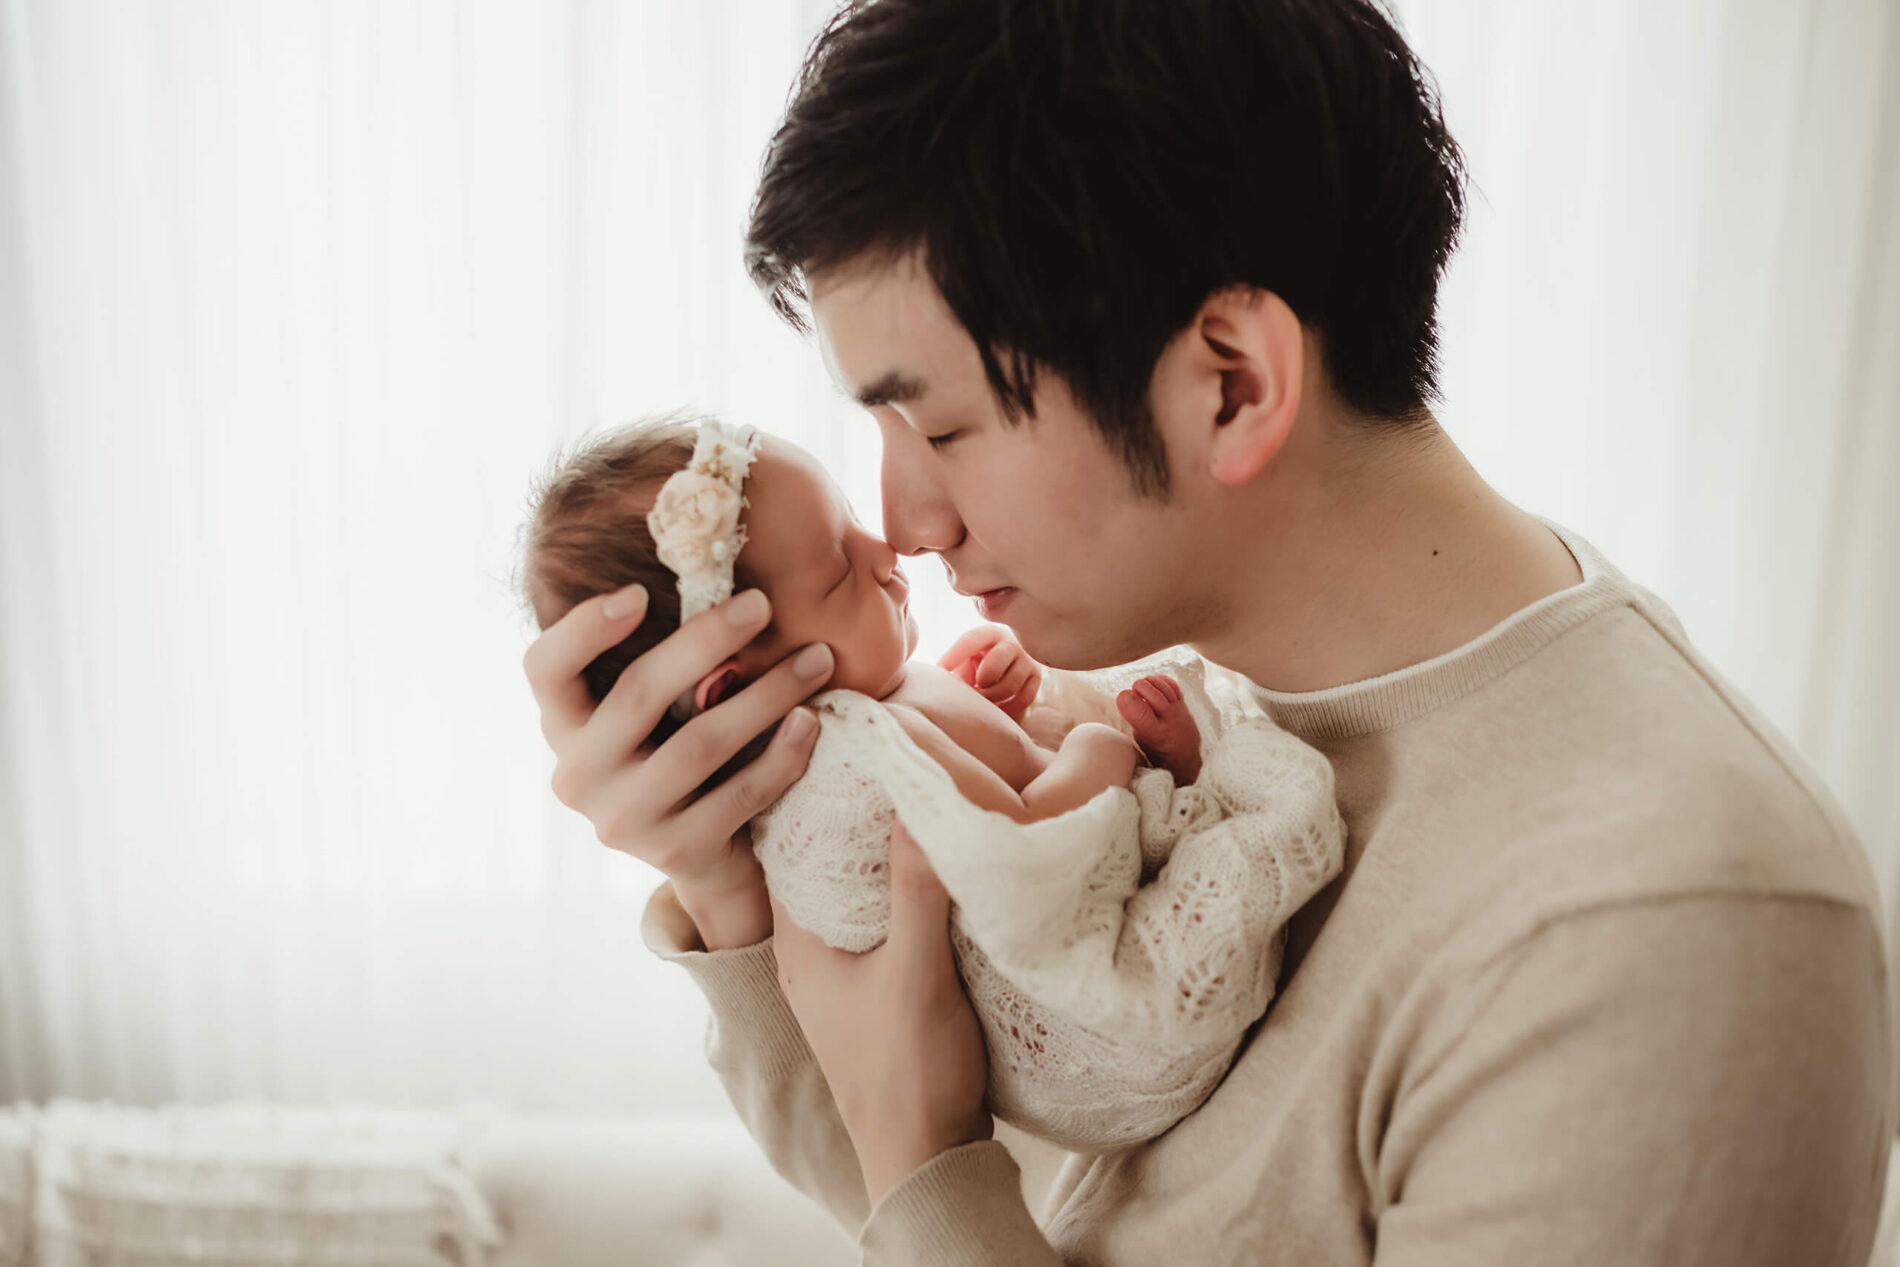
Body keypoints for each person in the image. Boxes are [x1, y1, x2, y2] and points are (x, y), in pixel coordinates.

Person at [520, 1, 1895, 1262]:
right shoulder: (1144, 686)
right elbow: (958, 1165)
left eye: (939, 427)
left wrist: (925, 1161)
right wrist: (729, 878)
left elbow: (931, 1173)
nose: (908, 522)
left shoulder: (1660, 934)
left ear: (1230, 385)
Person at [516, 412, 1346, 1152]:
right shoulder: (854, 760)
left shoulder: (875, 699)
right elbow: (1020, 845)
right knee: (1194, 816)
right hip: (1116, 1028)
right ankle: (1194, 785)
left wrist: (994, 708)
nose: (886, 548)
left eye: (850, 520)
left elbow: (975, 772)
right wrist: (1101, 751)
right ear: (733, 685)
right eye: (838, 569)